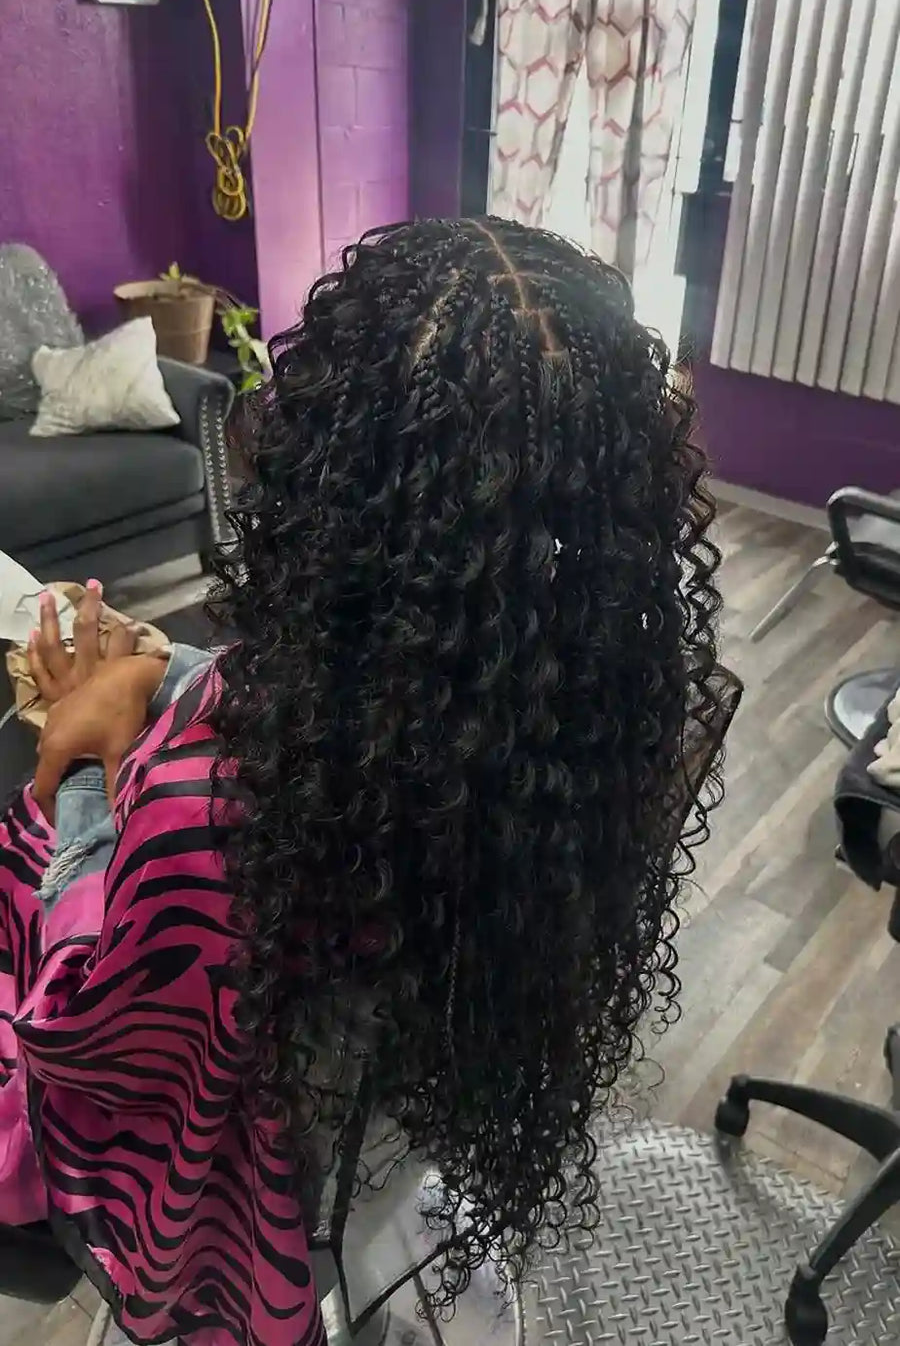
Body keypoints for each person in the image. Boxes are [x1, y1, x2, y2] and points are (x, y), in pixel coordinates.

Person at [0, 218, 723, 1346]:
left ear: (317, 482)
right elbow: (326, 698)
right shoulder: (588, 736)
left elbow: (83, 1030)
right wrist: (159, 674)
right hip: (410, 1126)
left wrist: (88, 771)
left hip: (244, 1167)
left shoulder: (224, 817)